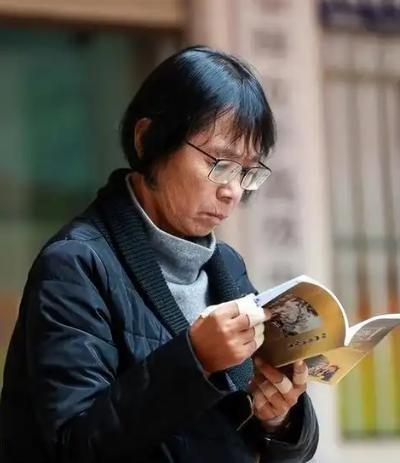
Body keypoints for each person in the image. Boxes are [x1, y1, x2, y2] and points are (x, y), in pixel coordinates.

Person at [0, 46, 318, 463]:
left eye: (247, 172)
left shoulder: (225, 265)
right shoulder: (76, 264)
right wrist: (194, 359)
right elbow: (74, 445)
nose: (232, 190)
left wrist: (279, 419)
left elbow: (253, 441)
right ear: (148, 139)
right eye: (220, 163)